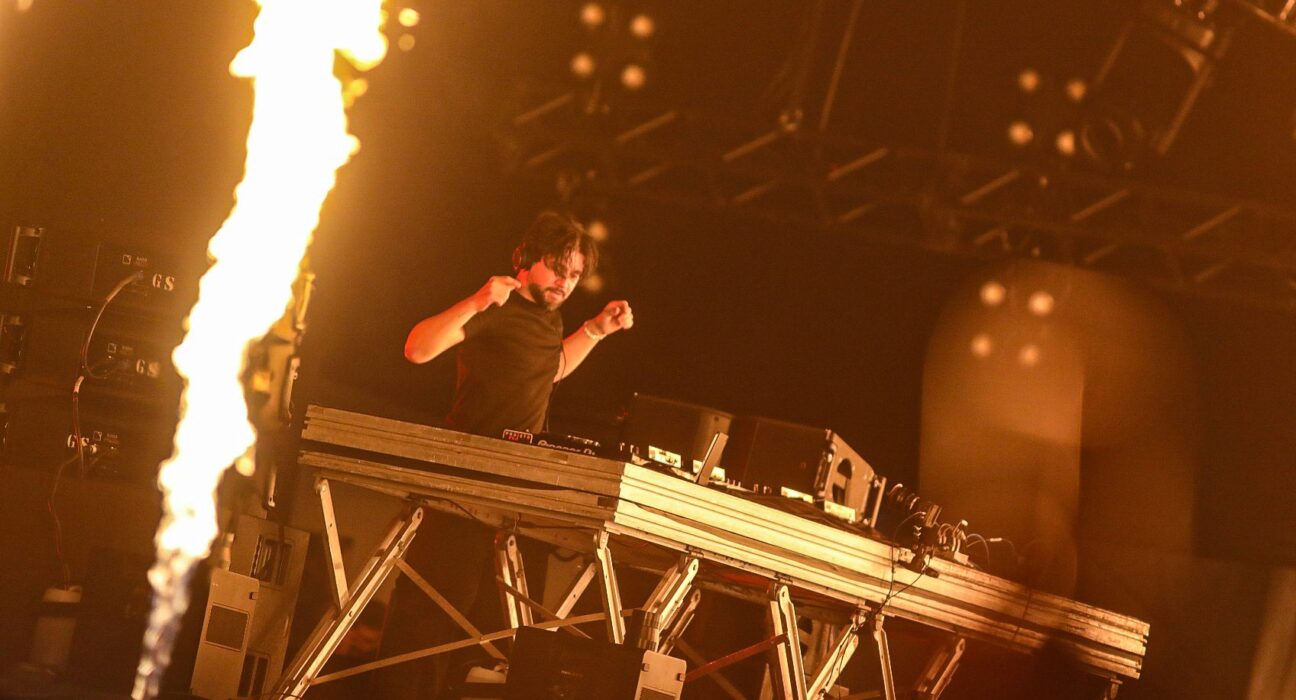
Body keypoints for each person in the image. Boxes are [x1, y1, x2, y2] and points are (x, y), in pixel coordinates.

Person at [373, 212, 633, 698]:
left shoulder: (550, 318)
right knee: (430, 607)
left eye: (575, 274)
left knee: (473, 618)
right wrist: (475, 301)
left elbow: (547, 369)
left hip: (506, 493)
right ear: (527, 258)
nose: (565, 282)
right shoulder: (499, 304)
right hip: (463, 481)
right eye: (558, 268)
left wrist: (595, 331)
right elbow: (417, 349)